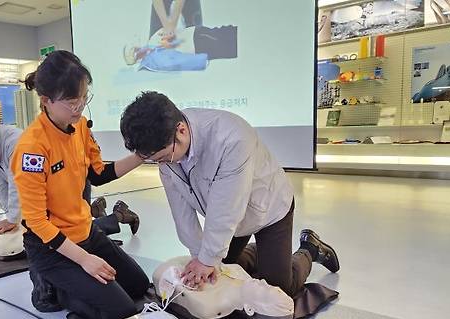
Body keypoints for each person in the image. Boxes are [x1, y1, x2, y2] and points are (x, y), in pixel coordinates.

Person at [120, 92, 340, 297]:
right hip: (226, 217)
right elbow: (181, 211)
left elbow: (227, 207)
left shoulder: (231, 138)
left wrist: (208, 260)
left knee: (279, 288)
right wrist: (199, 256)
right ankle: (263, 254)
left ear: (181, 130)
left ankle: (310, 249)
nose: (162, 164)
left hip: (268, 209)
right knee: (220, 275)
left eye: (164, 157)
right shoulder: (165, 153)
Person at [11, 50, 149, 319]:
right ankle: (52, 286)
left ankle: (78, 280)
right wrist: (84, 259)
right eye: (72, 102)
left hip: (86, 232)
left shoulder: (81, 126)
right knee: (120, 311)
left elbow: (98, 174)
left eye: (85, 98)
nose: (80, 108)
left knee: (139, 286)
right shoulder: (32, 149)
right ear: (46, 101)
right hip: (52, 249)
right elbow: (37, 222)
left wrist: (141, 156)